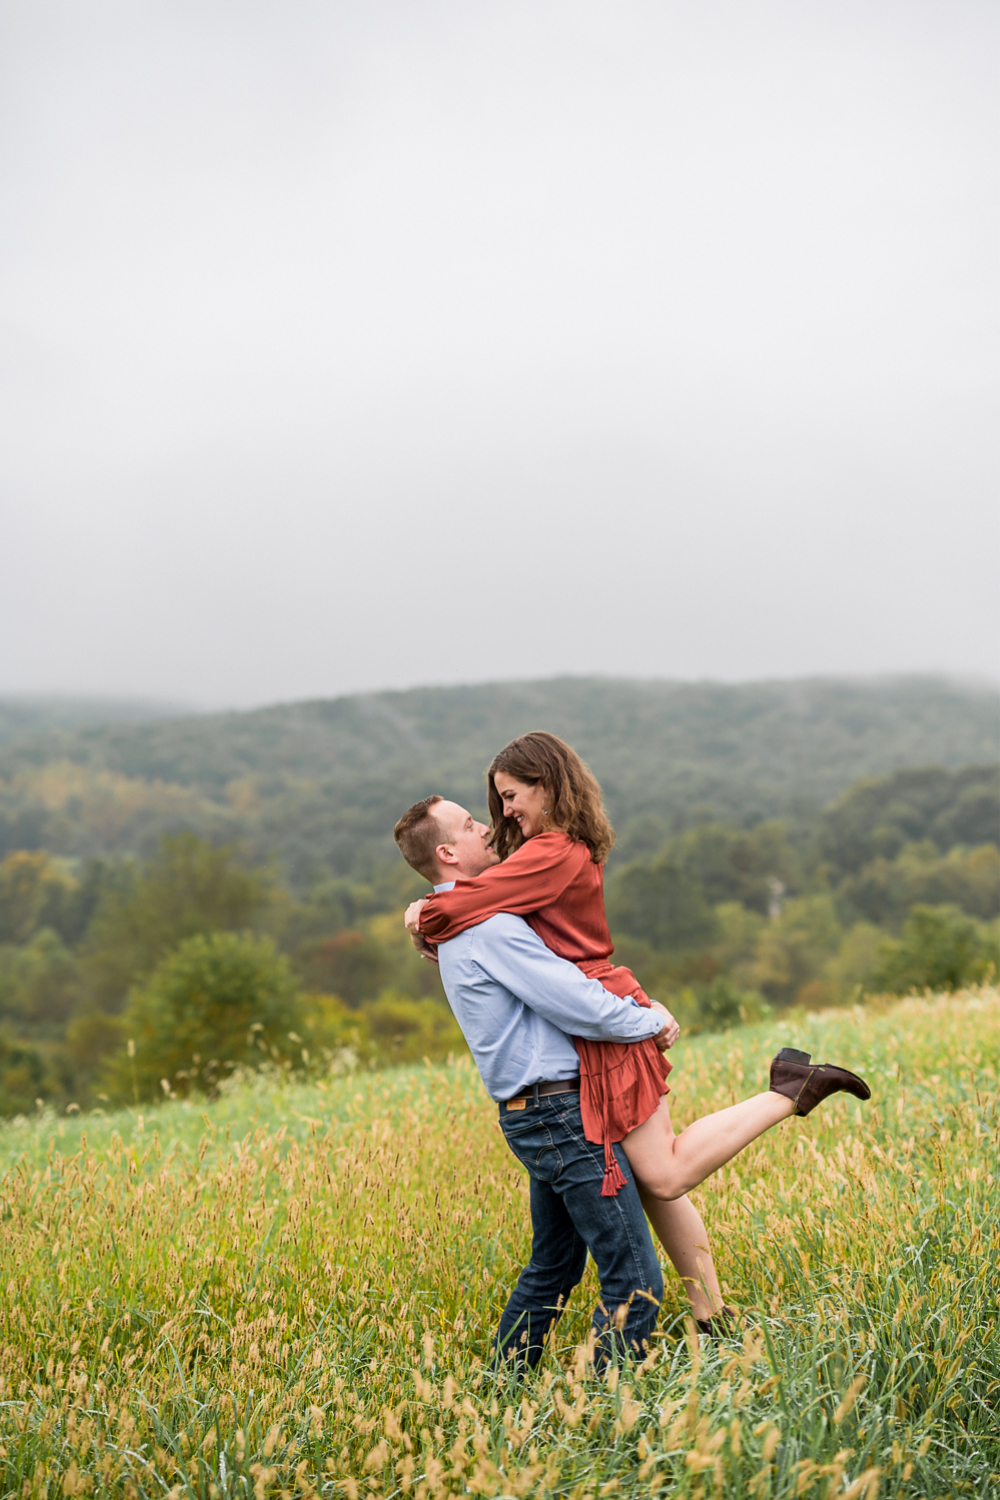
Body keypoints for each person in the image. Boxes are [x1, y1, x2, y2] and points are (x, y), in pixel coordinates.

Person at [404, 734, 871, 1305]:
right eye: (495, 802)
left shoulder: (551, 851)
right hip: (592, 1017)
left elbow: (464, 903)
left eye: (509, 796)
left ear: (546, 786)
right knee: (653, 1184)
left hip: (601, 1014)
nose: (503, 813)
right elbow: (480, 907)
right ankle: (710, 1316)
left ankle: (789, 1090)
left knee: (664, 1174)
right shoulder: (549, 849)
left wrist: (423, 912)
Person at [393, 793, 712, 1369]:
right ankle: (606, 1408)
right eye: (470, 825)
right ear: (447, 852)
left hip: (534, 1114)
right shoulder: (487, 929)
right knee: (634, 1276)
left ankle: (504, 1383)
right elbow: (575, 1003)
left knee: (555, 1266)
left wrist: (419, 910)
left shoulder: (456, 922)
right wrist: (651, 1021)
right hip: (562, 1116)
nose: (486, 831)